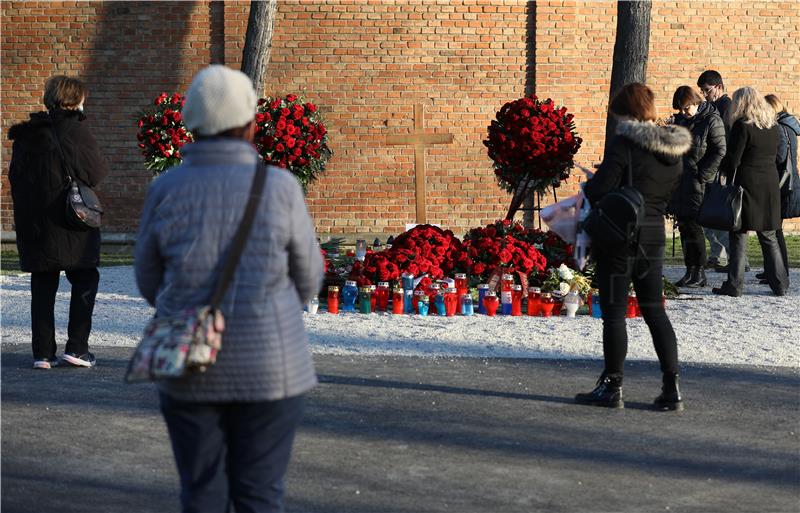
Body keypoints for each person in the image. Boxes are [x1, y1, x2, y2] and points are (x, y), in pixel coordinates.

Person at [135, 65, 324, 513]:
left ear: (191, 123)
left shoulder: (166, 188)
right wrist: (271, 311)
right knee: (260, 495)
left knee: (202, 492)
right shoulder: (280, 187)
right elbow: (310, 276)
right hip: (272, 367)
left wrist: (187, 304)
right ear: (251, 123)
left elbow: (147, 278)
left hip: (191, 364)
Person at [577, 83, 691, 411]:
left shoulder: (624, 142)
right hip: (654, 233)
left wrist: (592, 180)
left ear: (625, 112)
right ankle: (672, 386)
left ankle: (612, 386)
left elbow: (601, 190)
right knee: (655, 310)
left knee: (614, 313)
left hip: (621, 236)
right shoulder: (673, 149)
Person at [8, 75, 109, 369]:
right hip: (70, 222)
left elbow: (16, 178)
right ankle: (77, 348)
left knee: (42, 283)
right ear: (74, 99)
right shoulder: (74, 130)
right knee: (85, 278)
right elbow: (95, 173)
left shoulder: (26, 135)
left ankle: (42, 353)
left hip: (35, 224)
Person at [712, 87, 788, 297]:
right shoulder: (772, 126)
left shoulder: (741, 126)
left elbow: (734, 159)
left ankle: (734, 285)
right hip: (769, 184)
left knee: (738, 234)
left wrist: (723, 170)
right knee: (769, 235)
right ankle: (780, 284)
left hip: (747, 185)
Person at [669, 86, 727, 288]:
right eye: (680, 110)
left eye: (686, 108)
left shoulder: (712, 120)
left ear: (696, 103)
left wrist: (703, 175)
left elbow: (720, 150)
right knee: (683, 226)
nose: (683, 113)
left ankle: (699, 272)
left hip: (698, 182)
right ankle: (689, 270)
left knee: (694, 228)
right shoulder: (682, 121)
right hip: (680, 180)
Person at [696, 70, 749, 273]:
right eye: (702, 91)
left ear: (719, 87)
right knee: (712, 214)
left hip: (720, 168)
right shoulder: (713, 107)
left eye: (707, 90)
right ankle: (718, 255)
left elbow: (725, 141)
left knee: (720, 213)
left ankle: (737, 260)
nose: (705, 94)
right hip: (714, 166)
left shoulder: (725, 107)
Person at [762, 94, 799, 281]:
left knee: (775, 229)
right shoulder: (789, 126)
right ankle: (773, 270)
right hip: (789, 183)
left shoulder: (780, 128)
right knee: (774, 229)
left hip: (783, 185)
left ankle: (779, 270)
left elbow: (781, 157)